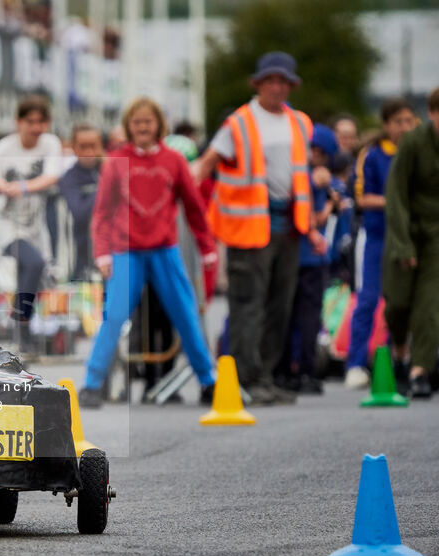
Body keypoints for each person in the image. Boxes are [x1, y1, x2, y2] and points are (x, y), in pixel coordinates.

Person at [195, 51, 325, 405]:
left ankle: (264, 377)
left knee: (279, 306)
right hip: (248, 228)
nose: (277, 86)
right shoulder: (238, 122)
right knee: (247, 305)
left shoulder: (300, 122)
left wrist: (312, 228)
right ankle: (243, 379)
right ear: (259, 83)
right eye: (271, 80)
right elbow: (206, 164)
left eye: (283, 81)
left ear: (290, 85)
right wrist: (181, 197)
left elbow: (302, 178)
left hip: (289, 227)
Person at [77, 97, 218, 409]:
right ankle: (91, 384)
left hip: (165, 250)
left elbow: (195, 209)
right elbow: (101, 212)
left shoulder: (174, 161)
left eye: (148, 121)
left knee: (185, 312)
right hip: (125, 251)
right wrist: (102, 253)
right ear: (129, 126)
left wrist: (207, 248)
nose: (142, 127)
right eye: (136, 122)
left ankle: (209, 380)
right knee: (113, 316)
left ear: (159, 126)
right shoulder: (115, 160)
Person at [0, 95, 63, 352]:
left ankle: (27, 327)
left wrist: (23, 187)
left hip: (34, 225)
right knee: (33, 263)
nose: (36, 128)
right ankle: (22, 326)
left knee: (37, 273)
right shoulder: (5, 148)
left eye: (41, 122)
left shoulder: (50, 144)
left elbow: (52, 176)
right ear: (18, 122)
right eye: (30, 122)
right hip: (5, 225)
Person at [344, 98, 417, 390]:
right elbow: (361, 198)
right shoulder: (372, 155)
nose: (404, 127)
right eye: (397, 122)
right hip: (376, 237)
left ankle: (395, 360)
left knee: (403, 302)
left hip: (409, 238)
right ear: (386, 125)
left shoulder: (418, 153)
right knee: (369, 299)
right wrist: (396, 203)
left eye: (408, 121)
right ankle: (356, 363)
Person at [381, 86, 439, 400]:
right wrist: (403, 244)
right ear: (431, 114)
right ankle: (400, 350)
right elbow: (396, 195)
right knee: (398, 303)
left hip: (436, 237)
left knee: (429, 306)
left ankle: (420, 371)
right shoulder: (414, 143)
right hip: (406, 231)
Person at [278, 124, 343, 394]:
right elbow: (313, 219)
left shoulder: (292, 173)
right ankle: (305, 370)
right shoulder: (316, 179)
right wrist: (330, 204)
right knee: (307, 318)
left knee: (289, 315)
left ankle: (284, 371)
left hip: (293, 255)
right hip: (311, 257)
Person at [58, 122, 102, 281]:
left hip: (113, 252)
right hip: (81, 255)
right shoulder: (69, 178)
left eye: (93, 146)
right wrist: (103, 188)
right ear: (74, 148)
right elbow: (79, 212)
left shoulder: (106, 169)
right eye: (83, 147)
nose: (89, 152)